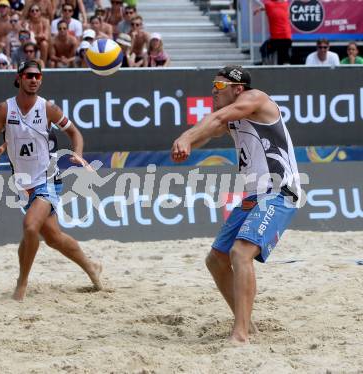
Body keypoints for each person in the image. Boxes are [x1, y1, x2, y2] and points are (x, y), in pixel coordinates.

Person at [171, 66, 300, 344]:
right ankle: (247, 325)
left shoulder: (257, 99)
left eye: (218, 86)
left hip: (280, 191)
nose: (212, 91)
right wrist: (192, 141)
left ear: (238, 88)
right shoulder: (232, 118)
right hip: (254, 196)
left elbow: (218, 117)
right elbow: (211, 128)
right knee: (216, 259)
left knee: (241, 253)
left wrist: (185, 138)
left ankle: (240, 334)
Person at [0, 60, 103, 301]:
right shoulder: (4, 109)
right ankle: (91, 266)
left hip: (47, 178)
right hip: (22, 183)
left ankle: (21, 285)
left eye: (37, 76)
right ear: (19, 78)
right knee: (53, 237)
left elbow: (75, 133)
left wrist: (77, 154)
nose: (34, 79)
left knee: (30, 226)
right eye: (29, 75)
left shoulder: (49, 108)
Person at [254, 0, 292, 65]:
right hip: (286, 36)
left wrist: (258, 9)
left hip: (275, 38)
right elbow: (289, 16)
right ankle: (285, 65)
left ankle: (267, 66)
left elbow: (265, 6)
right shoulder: (285, 4)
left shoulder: (268, 5)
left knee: (263, 49)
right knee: (284, 58)